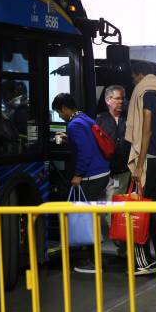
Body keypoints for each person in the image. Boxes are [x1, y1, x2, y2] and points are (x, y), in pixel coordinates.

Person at [126, 61, 156, 275]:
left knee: (140, 210)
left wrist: (138, 165)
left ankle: (144, 262)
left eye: (134, 78)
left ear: (139, 75)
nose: (134, 82)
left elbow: (145, 131)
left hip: (149, 160)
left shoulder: (146, 93)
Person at [52, 93, 110, 274]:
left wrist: (78, 174)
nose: (60, 116)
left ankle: (94, 263)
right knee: (93, 217)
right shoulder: (84, 118)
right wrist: (70, 138)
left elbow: (84, 152)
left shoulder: (74, 124)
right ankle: (95, 258)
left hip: (92, 175)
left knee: (89, 219)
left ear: (64, 109)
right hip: (102, 172)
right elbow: (89, 142)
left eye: (59, 112)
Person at [96, 85, 131, 257]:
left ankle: (126, 245)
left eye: (122, 98)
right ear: (108, 100)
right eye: (117, 98)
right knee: (111, 212)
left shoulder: (128, 119)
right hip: (108, 173)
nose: (121, 102)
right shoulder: (100, 121)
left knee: (124, 210)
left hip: (125, 172)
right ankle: (121, 244)